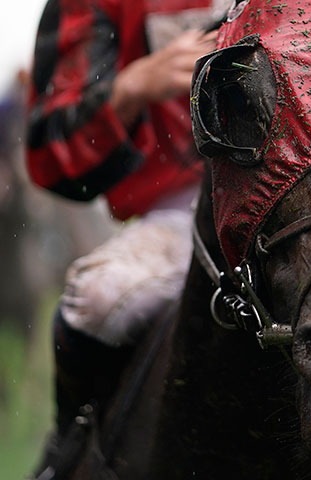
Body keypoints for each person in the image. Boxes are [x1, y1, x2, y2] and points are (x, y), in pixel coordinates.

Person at [26, 0, 232, 448]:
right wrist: (130, 88)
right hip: (185, 208)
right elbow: (48, 155)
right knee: (98, 301)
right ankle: (72, 456)